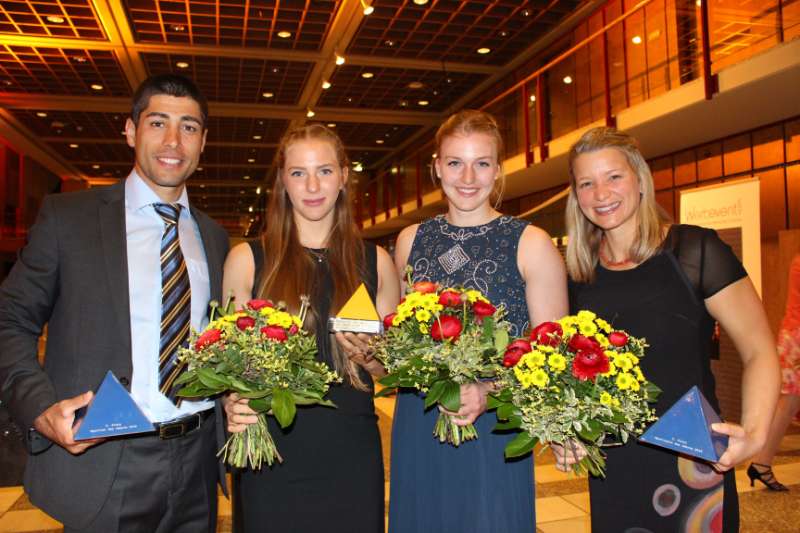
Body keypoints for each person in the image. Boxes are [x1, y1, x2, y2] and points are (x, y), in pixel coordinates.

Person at [0, 74, 229, 532]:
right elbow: (10, 319)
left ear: (203, 142)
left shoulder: (216, 239)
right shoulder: (70, 220)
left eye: (188, 127)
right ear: (130, 130)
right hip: (106, 459)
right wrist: (40, 407)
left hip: (198, 461)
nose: (172, 141)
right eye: (157, 122)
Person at [555, 126, 779, 531]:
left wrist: (756, 433)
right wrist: (562, 431)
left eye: (614, 177)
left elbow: (759, 348)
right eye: (587, 183)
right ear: (576, 196)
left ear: (640, 180)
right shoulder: (577, 275)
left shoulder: (694, 252)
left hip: (692, 456)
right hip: (612, 461)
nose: (601, 194)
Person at [389, 110, 568, 533]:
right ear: (436, 167)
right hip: (419, 419)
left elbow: (550, 361)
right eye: (455, 162)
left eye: (482, 163)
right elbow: (402, 338)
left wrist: (488, 391)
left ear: (498, 170)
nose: (468, 176)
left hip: (492, 427)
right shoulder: (410, 240)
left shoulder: (532, 244)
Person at [222, 123, 400, 533]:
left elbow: (393, 375)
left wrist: (372, 360)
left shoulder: (375, 262)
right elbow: (228, 364)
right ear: (283, 182)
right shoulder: (248, 261)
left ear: (343, 178)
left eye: (324, 170)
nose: (312, 184)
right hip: (272, 450)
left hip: (352, 450)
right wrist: (233, 400)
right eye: (298, 172)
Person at [748, 253, 800, 491]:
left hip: (793, 336)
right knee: (788, 403)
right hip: (797, 339)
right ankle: (761, 462)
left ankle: (761, 462)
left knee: (788, 403)